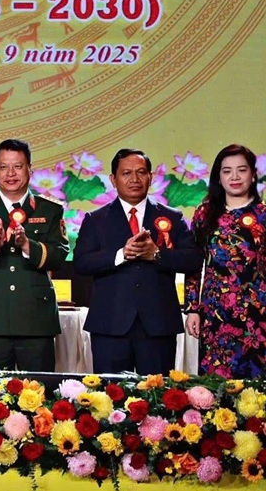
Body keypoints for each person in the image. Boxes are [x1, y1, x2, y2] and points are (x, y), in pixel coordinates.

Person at [74, 148, 203, 374]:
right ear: (113, 179)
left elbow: (193, 259)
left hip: (158, 325)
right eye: (126, 173)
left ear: (150, 177)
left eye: (141, 172)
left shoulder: (172, 217)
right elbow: (81, 262)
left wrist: (157, 254)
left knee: (157, 392)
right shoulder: (95, 219)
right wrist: (121, 254)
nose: (134, 179)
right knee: (109, 393)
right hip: (110, 325)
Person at [0, 139, 69, 371]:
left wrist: (28, 245)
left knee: (39, 389)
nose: (10, 173)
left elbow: (59, 255)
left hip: (36, 318)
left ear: (30, 169)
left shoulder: (50, 208)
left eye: (18, 166)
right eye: (3, 167)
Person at [183, 144, 266, 378]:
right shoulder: (204, 213)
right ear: (218, 177)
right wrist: (192, 309)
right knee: (217, 386)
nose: (235, 177)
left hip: (259, 312)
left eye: (242, 170)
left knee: (262, 385)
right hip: (216, 313)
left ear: (253, 175)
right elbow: (194, 265)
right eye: (227, 171)